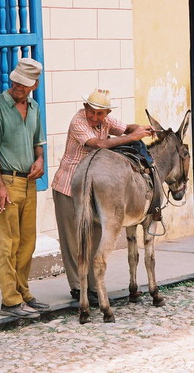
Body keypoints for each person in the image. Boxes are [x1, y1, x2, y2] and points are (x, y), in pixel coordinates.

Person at [51, 88, 156, 304]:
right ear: (85, 108)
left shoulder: (106, 121)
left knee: (96, 236)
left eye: (100, 114)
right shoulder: (78, 122)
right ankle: (77, 287)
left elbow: (127, 127)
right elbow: (99, 144)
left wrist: (139, 129)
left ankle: (92, 286)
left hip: (94, 187)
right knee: (74, 238)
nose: (95, 117)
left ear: (107, 113)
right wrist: (131, 137)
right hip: (69, 185)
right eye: (92, 112)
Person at [0, 57, 50, 319]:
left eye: (24, 83)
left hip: (29, 182)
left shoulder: (34, 107)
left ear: (34, 84)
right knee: (6, 243)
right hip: (7, 183)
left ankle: (23, 292)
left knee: (27, 243)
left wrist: (41, 159)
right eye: (16, 81)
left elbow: (38, 142)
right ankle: (9, 300)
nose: (18, 86)